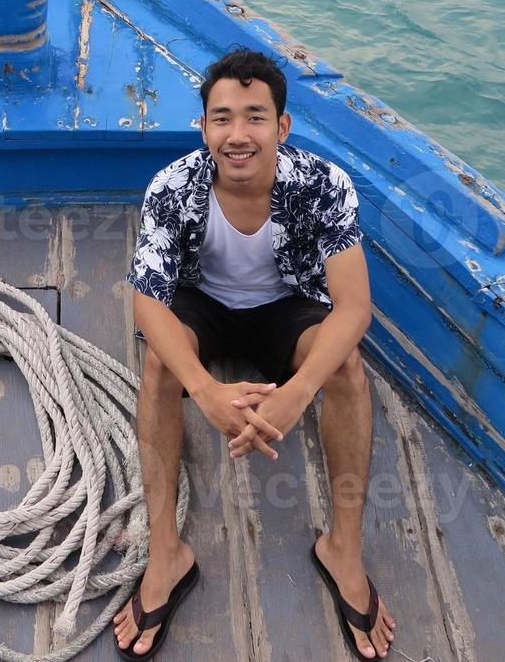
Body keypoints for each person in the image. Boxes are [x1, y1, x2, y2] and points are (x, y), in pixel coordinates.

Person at [110, 48, 398, 660]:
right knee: (161, 367)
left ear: (282, 126)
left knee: (346, 367)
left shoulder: (324, 186)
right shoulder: (172, 187)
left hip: (285, 308)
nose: (237, 135)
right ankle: (168, 552)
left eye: (254, 117)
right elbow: (147, 303)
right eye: (222, 118)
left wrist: (297, 395)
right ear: (205, 126)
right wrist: (207, 392)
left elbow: (353, 308)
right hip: (202, 302)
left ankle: (342, 547)